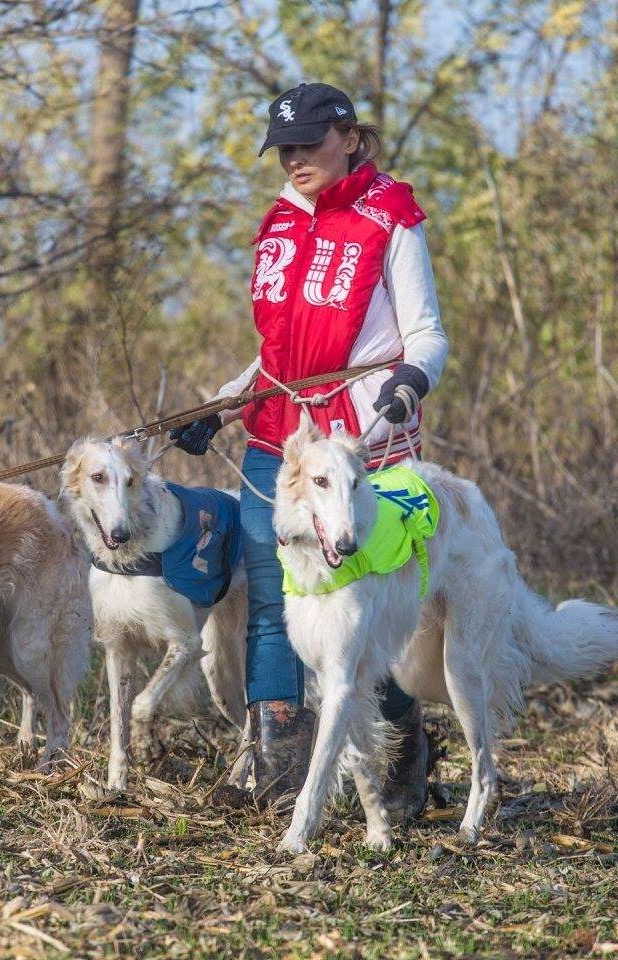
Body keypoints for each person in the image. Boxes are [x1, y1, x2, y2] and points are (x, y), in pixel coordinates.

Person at [171, 83, 448, 819]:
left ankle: (396, 753)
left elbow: (426, 335)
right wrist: (221, 407)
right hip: (278, 442)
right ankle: (277, 765)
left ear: (349, 138)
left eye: (309, 144)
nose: (294, 160)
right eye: (284, 148)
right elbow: (276, 356)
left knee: (368, 602)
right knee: (273, 591)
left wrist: (407, 387)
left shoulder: (390, 217)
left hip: (363, 441)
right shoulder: (278, 224)